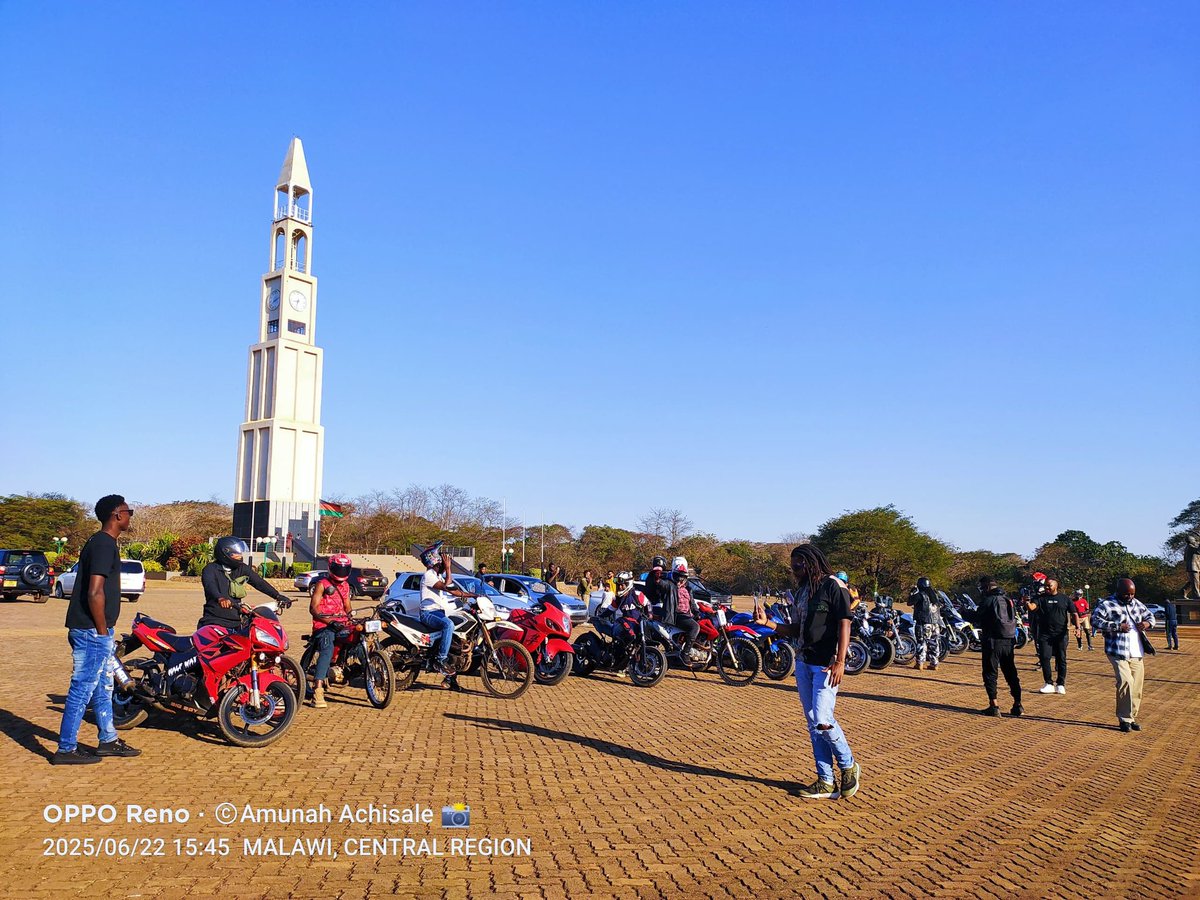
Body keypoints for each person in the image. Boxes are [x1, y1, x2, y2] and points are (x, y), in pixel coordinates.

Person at [754, 544, 860, 801]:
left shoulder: (833, 585)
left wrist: (841, 660)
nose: (795, 572)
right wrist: (768, 623)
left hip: (827, 663)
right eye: (792, 568)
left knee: (823, 718)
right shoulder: (803, 591)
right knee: (814, 724)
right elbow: (797, 628)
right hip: (803, 662)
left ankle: (848, 765)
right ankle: (825, 781)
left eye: (798, 566)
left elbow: (845, 622)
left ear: (811, 562)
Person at [54, 495, 141, 764]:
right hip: (92, 631)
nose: (130, 516)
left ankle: (108, 740)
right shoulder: (103, 544)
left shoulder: (101, 542)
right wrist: (103, 632)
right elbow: (94, 592)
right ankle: (66, 749)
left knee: (103, 688)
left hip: (96, 629)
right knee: (82, 689)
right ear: (117, 515)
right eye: (129, 511)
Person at [1092, 579, 1156, 732]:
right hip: (1117, 650)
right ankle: (1124, 719)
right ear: (1119, 591)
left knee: (1137, 687)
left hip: (1137, 651)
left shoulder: (1137, 603)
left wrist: (1147, 624)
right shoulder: (1107, 604)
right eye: (1127, 594)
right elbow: (1094, 620)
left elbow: (1150, 617)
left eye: (1132, 594)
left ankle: (1132, 716)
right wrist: (1117, 626)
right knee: (1125, 681)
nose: (1130, 597)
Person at [199, 536, 290, 630]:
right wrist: (220, 598)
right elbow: (210, 586)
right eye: (236, 553)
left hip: (237, 620)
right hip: (214, 621)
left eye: (240, 553)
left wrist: (277, 596)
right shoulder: (210, 569)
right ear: (225, 553)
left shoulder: (242, 568)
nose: (240, 556)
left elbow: (259, 583)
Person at [964, 576, 1023, 717]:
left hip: (992, 640)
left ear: (987, 587)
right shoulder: (1008, 599)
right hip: (1008, 640)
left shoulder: (988, 600)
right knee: (1011, 673)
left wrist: (965, 613)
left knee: (990, 672)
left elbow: (977, 617)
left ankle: (994, 705)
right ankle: (1018, 704)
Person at [419, 541, 474, 690]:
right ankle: (440, 660)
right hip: (428, 613)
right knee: (448, 625)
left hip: (438, 612)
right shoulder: (429, 575)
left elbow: (453, 590)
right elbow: (446, 586)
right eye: (442, 558)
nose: (445, 561)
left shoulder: (437, 575)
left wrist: (474, 596)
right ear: (434, 559)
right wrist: (449, 569)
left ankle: (451, 679)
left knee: (455, 641)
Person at [307, 553, 355, 708]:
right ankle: (318, 690)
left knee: (359, 639)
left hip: (342, 624)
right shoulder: (322, 584)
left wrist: (352, 618)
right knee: (327, 648)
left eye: (344, 569)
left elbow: (347, 607)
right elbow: (313, 609)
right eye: (338, 569)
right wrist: (329, 621)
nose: (341, 572)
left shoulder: (346, 586)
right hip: (324, 625)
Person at [1030, 578, 1075, 694]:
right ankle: (1048, 683)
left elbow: (1074, 613)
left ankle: (1061, 683)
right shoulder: (1040, 598)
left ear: (1056, 586)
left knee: (1061, 659)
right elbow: (1032, 607)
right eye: (1045, 586)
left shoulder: (1065, 599)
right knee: (1045, 657)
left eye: (1049, 586)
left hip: (1061, 634)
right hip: (1045, 634)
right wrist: (1027, 602)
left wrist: (1078, 627)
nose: (1047, 588)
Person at [670, 557, 702, 661]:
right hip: (676, 615)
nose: (680, 579)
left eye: (682, 577)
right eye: (677, 576)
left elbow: (692, 603)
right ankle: (685, 653)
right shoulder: (669, 585)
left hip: (686, 615)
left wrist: (697, 612)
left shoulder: (688, 588)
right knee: (695, 627)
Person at [908, 576, 940, 671]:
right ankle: (934, 664)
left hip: (923, 622)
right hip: (935, 623)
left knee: (921, 642)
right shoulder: (934, 596)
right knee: (934, 643)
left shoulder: (920, 595)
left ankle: (920, 663)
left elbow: (909, 602)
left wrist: (912, 592)